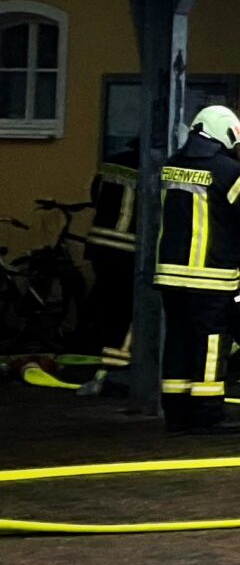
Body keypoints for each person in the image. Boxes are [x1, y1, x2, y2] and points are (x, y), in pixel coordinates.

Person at [151, 104, 240, 435]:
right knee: (211, 343)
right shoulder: (230, 172)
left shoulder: (171, 166)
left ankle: (175, 413)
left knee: (178, 339)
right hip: (211, 275)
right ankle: (207, 413)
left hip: (170, 274)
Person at [81, 138, 140, 393]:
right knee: (126, 312)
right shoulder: (152, 167)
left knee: (108, 306)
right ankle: (116, 371)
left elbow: (95, 195)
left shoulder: (112, 163)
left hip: (100, 244)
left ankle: (102, 362)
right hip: (128, 248)